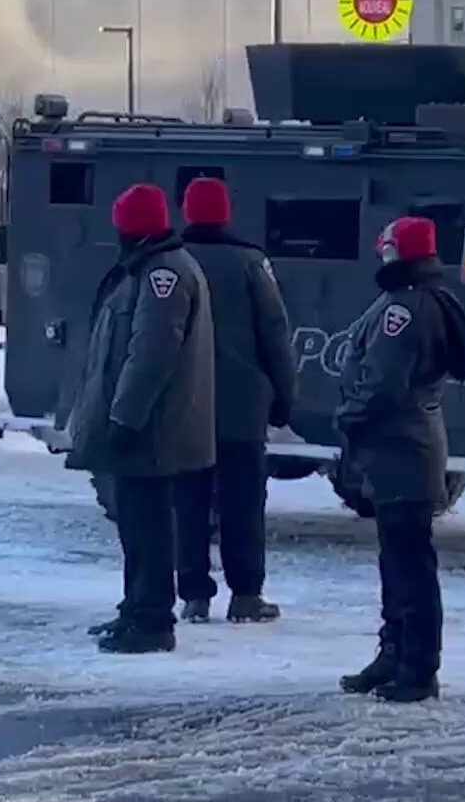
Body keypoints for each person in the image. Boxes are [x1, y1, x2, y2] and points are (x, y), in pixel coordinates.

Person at [65, 184, 215, 653]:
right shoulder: (153, 269)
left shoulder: (162, 275)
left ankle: (151, 619)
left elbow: (149, 354)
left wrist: (126, 418)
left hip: (150, 429)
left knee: (147, 524)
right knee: (135, 522)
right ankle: (136, 607)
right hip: (146, 425)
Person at [335, 216, 465, 704]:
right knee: (397, 558)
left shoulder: (405, 307)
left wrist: (348, 416)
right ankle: (395, 652)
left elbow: (384, 380)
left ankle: (416, 665)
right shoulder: (423, 298)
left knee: (410, 561)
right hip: (405, 444)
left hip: (401, 444)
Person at [173, 177, 295, 624]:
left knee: (188, 501)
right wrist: (285, 395)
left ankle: (193, 593)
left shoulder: (172, 260)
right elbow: (275, 333)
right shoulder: (250, 262)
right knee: (242, 503)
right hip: (242, 407)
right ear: (225, 213)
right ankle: (245, 594)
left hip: (185, 407)